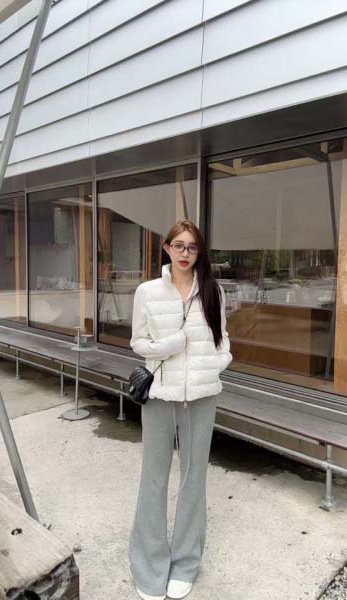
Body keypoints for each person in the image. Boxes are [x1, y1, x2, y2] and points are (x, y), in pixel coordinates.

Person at [128, 219, 233, 600]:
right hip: (160, 395)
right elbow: (138, 342)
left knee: (194, 479)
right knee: (153, 480)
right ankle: (150, 566)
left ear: (199, 251)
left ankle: (186, 563)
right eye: (179, 245)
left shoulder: (213, 291)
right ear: (167, 248)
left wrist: (215, 367)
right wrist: (171, 345)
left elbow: (223, 341)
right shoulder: (147, 291)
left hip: (202, 396)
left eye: (192, 247)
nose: (185, 253)